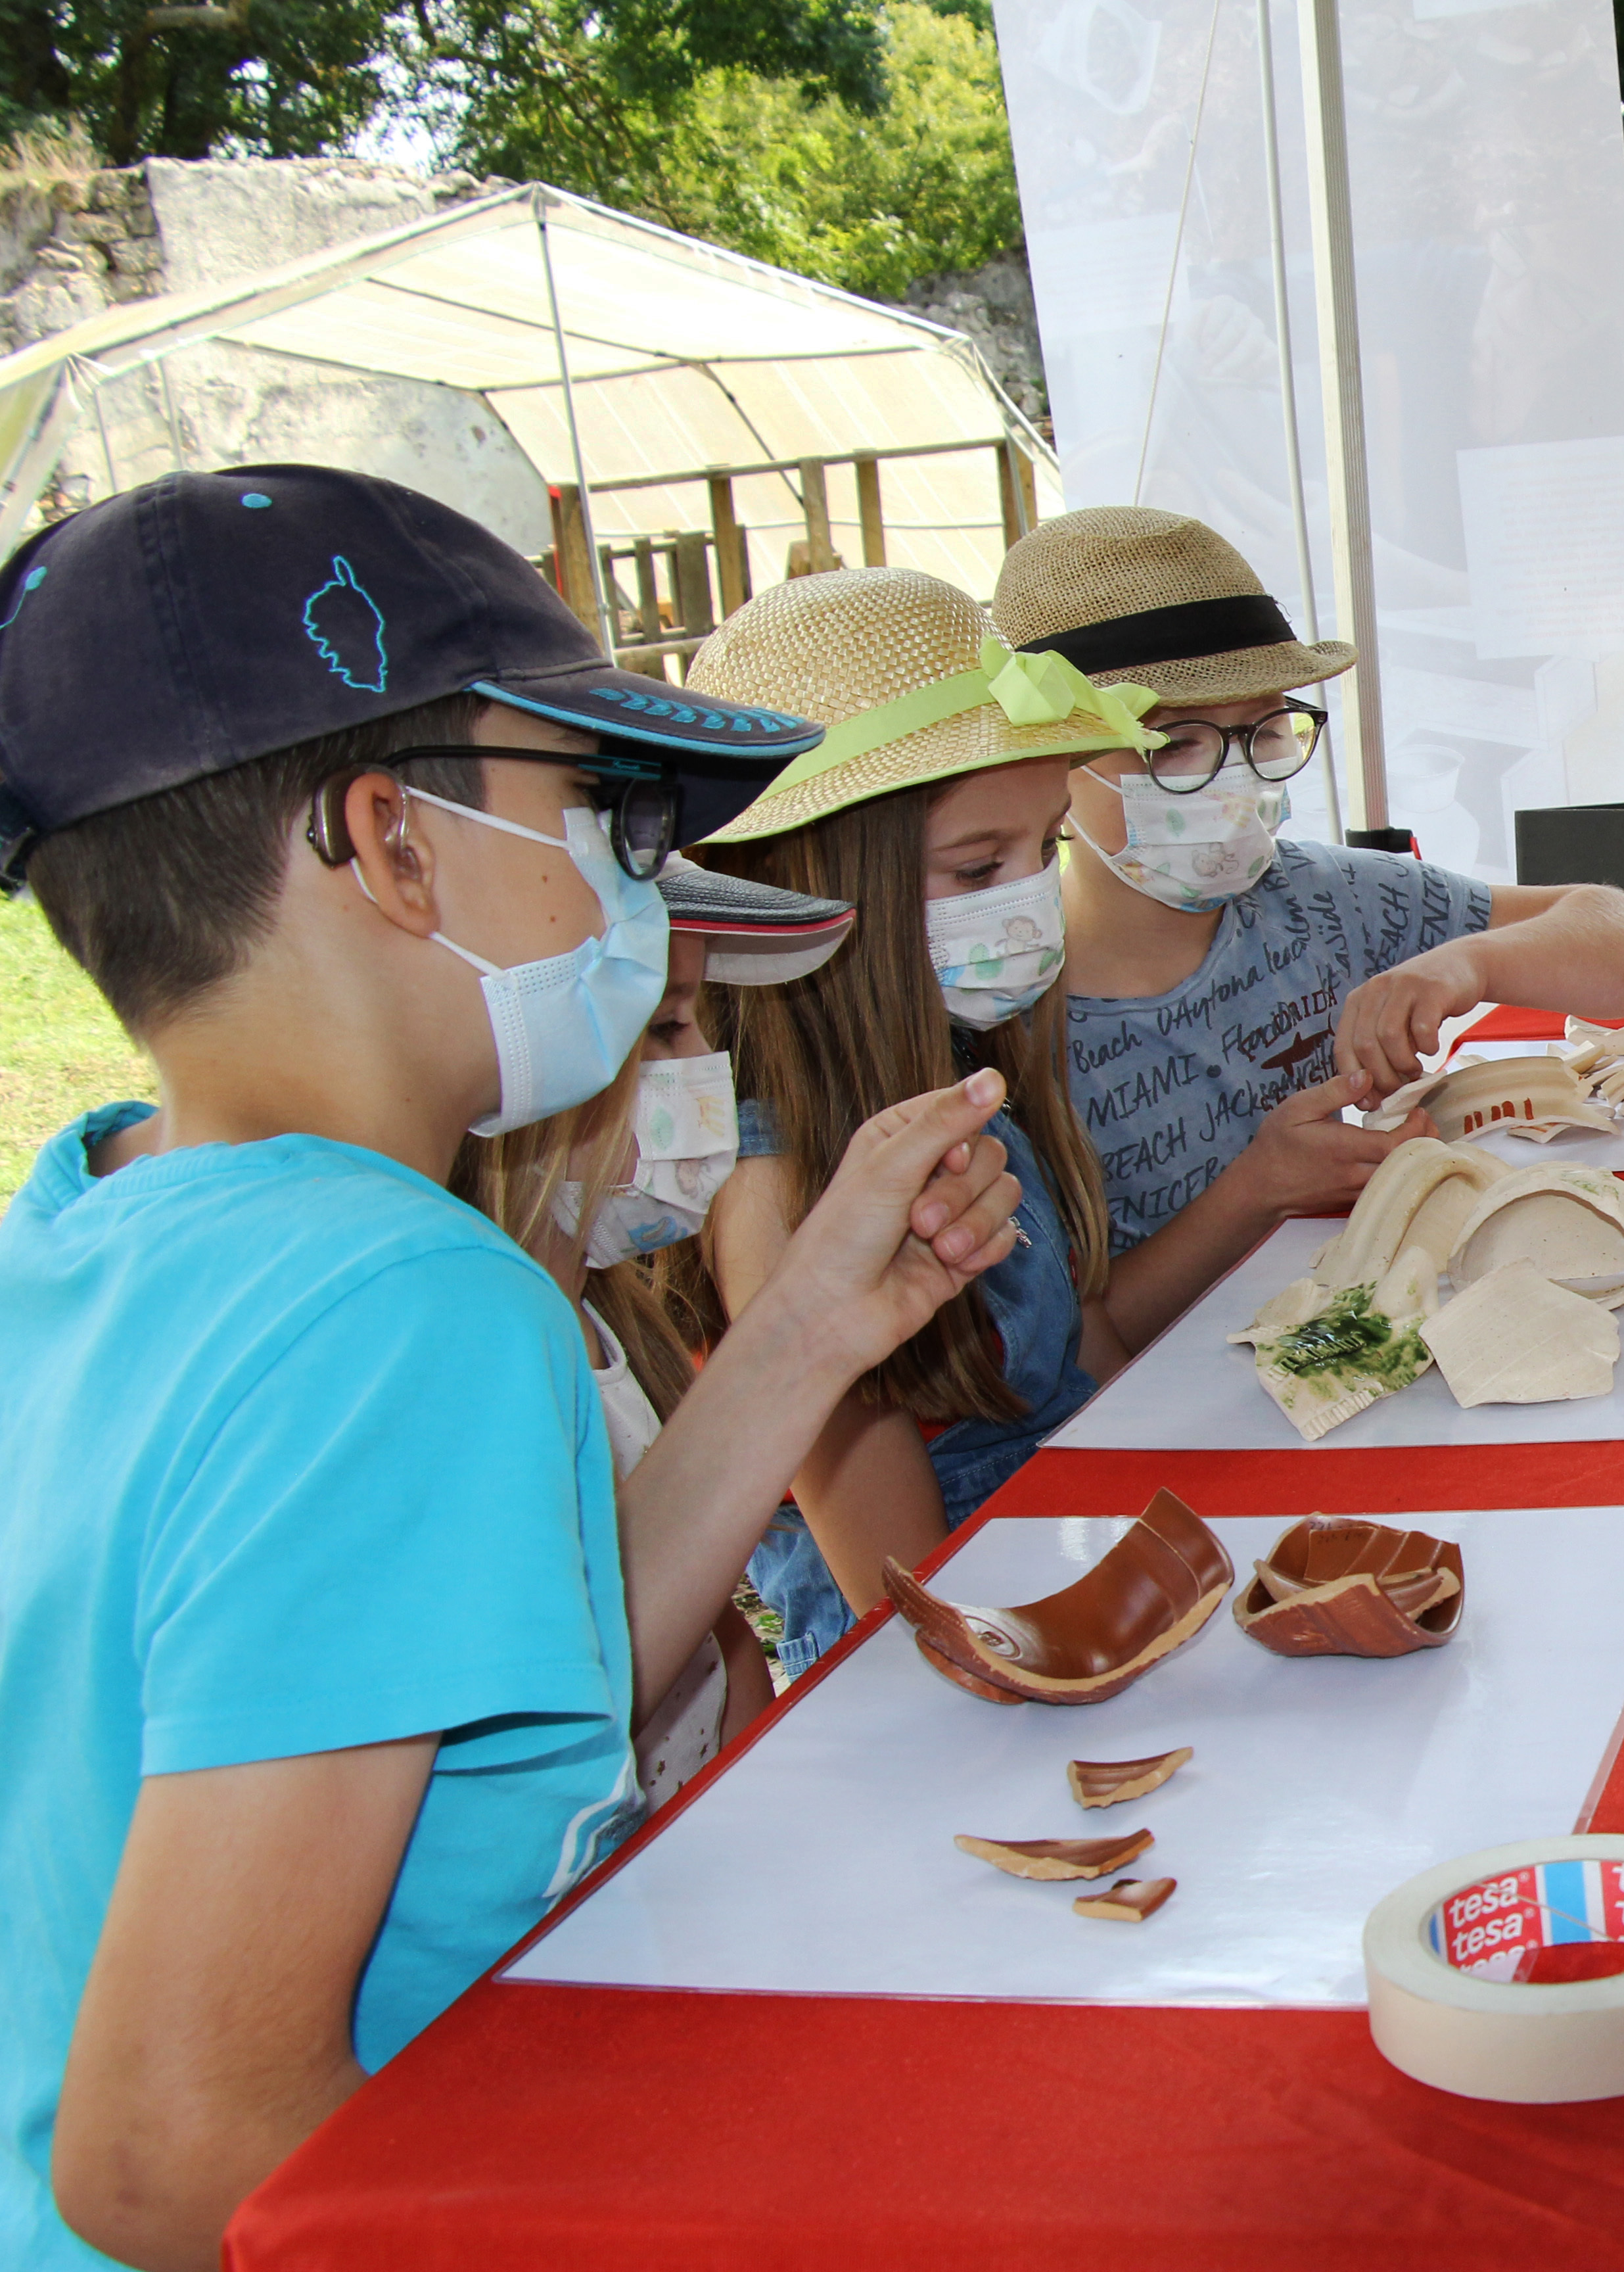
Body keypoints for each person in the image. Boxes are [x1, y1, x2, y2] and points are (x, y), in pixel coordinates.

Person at [0, 467, 1029, 2272]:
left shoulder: (101, 1219)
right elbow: (174, 2154)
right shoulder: (401, 1301)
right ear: (396, 847)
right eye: (605, 817)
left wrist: (805, 1334)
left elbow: (494, 1705)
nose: (641, 890)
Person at [988, 507, 1624, 1352]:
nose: (1235, 776)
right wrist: (1255, 1192)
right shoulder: (1005, 1024)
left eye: (1262, 731)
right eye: (1173, 744)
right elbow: (1082, 1354)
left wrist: (1470, 963)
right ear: (1046, 770)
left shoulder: (1320, 898)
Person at [680, 567, 1148, 1673]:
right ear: (814, 882)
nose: (1027, 894)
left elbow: (1098, 1372)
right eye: (977, 866)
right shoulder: (776, 1193)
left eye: (1044, 850)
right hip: (968, 1663)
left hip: (1086, 1579)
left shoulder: (965, 1075)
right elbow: (908, 1609)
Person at [453, 856, 860, 1801]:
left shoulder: (605, 1327)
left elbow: (720, 1645)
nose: (702, 1072)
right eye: (664, 1026)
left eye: (695, 1023)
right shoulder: (490, 1374)